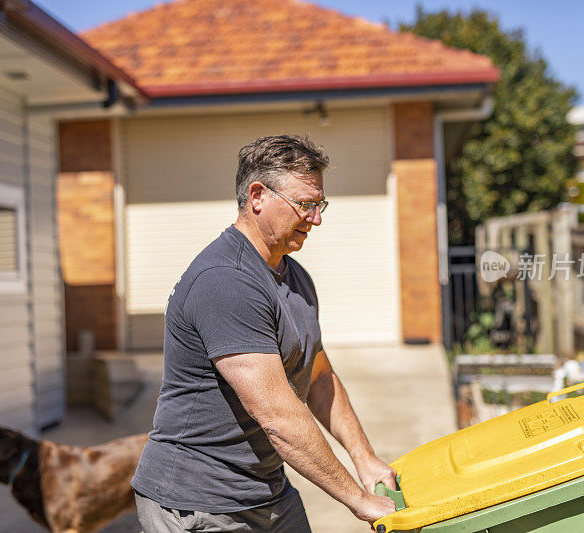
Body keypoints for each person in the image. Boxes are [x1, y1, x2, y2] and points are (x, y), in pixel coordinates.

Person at [132, 135, 397, 532]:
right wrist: (358, 500)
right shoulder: (226, 281)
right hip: (199, 504)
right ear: (257, 195)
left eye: (319, 204)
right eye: (305, 204)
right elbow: (277, 416)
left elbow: (319, 376)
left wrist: (363, 456)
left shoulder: (294, 277)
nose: (316, 218)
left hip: (267, 493)